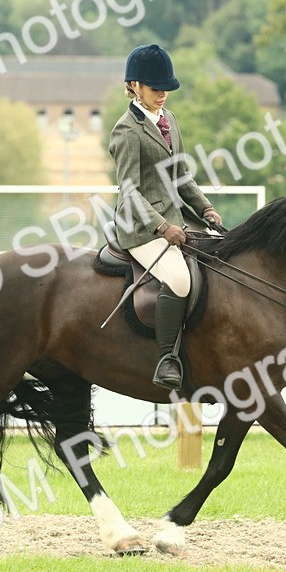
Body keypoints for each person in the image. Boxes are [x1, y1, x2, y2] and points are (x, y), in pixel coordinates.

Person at [109, 43, 222, 391]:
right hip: (140, 226)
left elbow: (181, 176)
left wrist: (205, 209)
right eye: (156, 89)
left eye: (166, 89)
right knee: (179, 279)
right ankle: (167, 360)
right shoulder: (126, 130)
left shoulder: (169, 121)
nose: (162, 95)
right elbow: (129, 190)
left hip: (177, 219)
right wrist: (161, 226)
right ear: (134, 86)